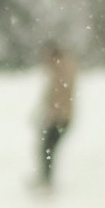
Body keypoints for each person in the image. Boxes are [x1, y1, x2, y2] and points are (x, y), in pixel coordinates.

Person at [34, 43, 77, 191]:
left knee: (47, 149)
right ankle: (45, 179)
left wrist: (52, 115)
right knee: (47, 149)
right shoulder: (61, 71)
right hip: (60, 118)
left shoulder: (62, 72)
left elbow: (59, 98)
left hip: (59, 119)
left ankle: (46, 182)